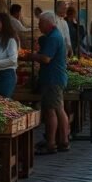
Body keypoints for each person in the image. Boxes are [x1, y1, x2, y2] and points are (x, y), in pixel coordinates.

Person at [27, 11, 70, 155]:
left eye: (40, 23)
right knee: (59, 109)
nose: (39, 25)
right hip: (57, 77)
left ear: (47, 23)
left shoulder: (53, 37)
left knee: (50, 111)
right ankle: (63, 140)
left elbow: (46, 59)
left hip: (52, 79)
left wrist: (33, 56)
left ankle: (51, 143)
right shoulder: (54, 35)